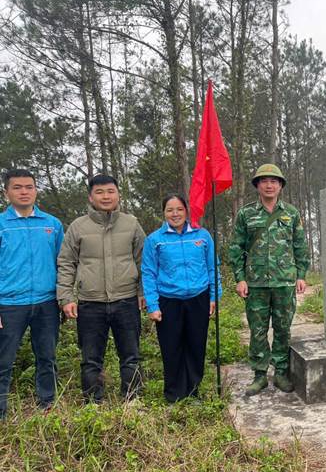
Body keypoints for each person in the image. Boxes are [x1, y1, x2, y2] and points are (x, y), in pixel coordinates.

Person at [57, 175, 146, 403]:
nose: (105, 196)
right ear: (90, 197)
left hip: (126, 300)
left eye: (110, 191)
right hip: (90, 303)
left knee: (131, 355)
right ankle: (92, 402)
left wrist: (143, 292)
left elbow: (143, 261)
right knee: (91, 358)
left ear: (118, 194)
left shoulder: (131, 224)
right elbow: (66, 263)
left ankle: (132, 399)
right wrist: (66, 297)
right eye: (99, 192)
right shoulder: (78, 226)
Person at [228, 164, 309, 397]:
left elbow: (300, 245)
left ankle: (281, 372)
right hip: (256, 283)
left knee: (283, 328)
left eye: (274, 181)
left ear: (281, 186)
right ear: (257, 186)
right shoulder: (246, 214)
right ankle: (260, 375)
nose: (269, 185)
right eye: (264, 181)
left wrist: (301, 275)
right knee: (258, 330)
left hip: (284, 282)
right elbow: (236, 248)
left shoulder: (291, 213)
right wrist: (240, 278)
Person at [141, 194, 219, 402]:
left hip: (199, 298)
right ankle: (174, 394)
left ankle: (193, 391)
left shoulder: (202, 236)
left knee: (196, 345)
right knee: (171, 347)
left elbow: (212, 266)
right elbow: (148, 273)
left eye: (179, 209)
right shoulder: (155, 240)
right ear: (163, 213)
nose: (175, 214)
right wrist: (152, 305)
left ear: (186, 211)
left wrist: (214, 296)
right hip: (168, 300)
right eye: (170, 210)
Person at [0, 169, 63, 419]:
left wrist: (63, 298)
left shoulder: (52, 224)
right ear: (6, 192)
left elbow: (63, 263)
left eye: (29, 187)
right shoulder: (2, 225)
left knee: (47, 357)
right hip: (8, 304)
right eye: (17, 187)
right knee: (3, 361)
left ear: (36, 190)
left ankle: (47, 405)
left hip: (46, 303)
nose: (24, 192)